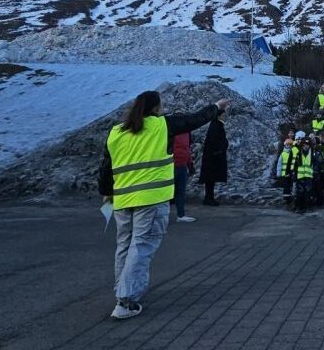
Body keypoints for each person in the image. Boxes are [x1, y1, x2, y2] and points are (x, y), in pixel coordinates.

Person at [97, 91, 228, 320]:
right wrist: (216, 107)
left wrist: (107, 193)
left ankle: (122, 293)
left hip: (123, 201)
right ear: (156, 108)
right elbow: (195, 119)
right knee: (141, 248)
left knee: (125, 247)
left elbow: (106, 167)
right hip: (150, 199)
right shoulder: (162, 126)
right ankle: (126, 301)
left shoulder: (117, 132)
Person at [200, 111, 229, 206]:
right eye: (223, 115)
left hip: (212, 156)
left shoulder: (216, 125)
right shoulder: (216, 125)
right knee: (210, 178)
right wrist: (219, 150)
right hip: (213, 157)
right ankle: (209, 198)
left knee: (211, 179)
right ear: (218, 116)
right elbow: (214, 141)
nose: (224, 117)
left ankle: (209, 198)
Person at [171, 132, 195, 222]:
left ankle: (181, 215)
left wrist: (190, 164)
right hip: (172, 165)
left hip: (182, 164)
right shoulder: (172, 131)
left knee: (180, 191)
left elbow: (187, 149)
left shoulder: (186, 133)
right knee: (167, 192)